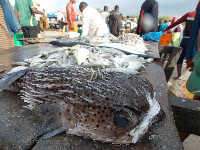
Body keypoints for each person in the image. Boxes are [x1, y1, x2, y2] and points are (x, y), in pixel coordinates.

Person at [163, 1, 200, 78]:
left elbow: (176, 23)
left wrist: (166, 28)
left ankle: (179, 76)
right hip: (194, 43)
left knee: (180, 58)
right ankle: (186, 78)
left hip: (185, 40)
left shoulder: (189, 14)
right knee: (191, 60)